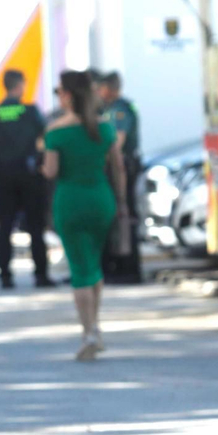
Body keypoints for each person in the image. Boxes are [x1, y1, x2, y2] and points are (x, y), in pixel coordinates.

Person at [43, 70, 126, 362]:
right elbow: (118, 168)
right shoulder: (104, 128)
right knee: (92, 264)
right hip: (100, 199)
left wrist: (43, 161)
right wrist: (122, 201)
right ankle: (96, 327)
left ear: (67, 94)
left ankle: (88, 331)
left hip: (70, 201)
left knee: (79, 268)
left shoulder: (56, 131)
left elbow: (51, 172)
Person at [0, 70, 51, 286]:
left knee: (4, 227)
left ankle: (5, 276)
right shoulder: (30, 111)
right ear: (19, 85)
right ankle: (40, 275)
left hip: (3, 176)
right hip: (29, 175)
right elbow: (45, 138)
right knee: (35, 227)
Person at [97, 71, 143, 284]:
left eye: (103, 88)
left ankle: (128, 268)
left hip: (123, 168)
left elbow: (118, 142)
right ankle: (117, 265)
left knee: (125, 216)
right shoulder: (110, 108)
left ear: (112, 89)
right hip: (118, 166)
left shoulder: (119, 110)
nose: (100, 92)